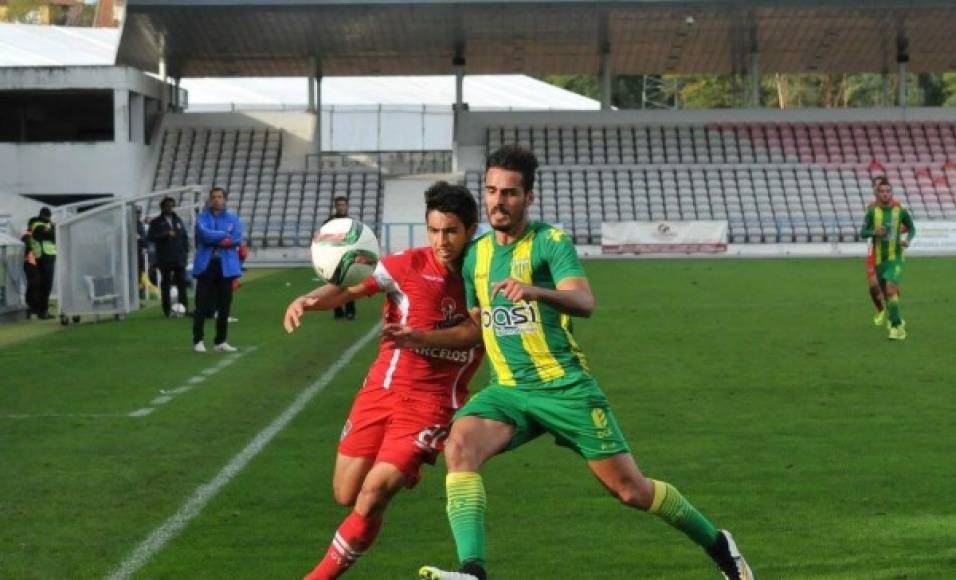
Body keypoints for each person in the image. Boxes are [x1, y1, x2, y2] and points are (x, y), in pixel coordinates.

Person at [383, 146, 754, 580]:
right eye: (490, 191)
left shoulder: (550, 243)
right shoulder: (476, 256)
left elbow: (584, 301)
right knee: (459, 446)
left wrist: (536, 291)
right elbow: (478, 326)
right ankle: (473, 570)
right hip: (510, 391)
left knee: (631, 490)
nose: (498, 201)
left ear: (529, 198)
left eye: (510, 193)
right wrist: (420, 338)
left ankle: (719, 545)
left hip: (564, 389)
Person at [283, 182, 484, 579]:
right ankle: (401, 466)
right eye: (434, 231)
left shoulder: (482, 270)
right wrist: (309, 299)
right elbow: (349, 288)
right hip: (382, 390)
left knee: (374, 493)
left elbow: (473, 333)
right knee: (346, 492)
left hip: (432, 404)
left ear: (470, 229)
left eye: (451, 232)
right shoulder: (404, 265)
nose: (442, 241)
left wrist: (419, 337)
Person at [861, 177, 915, 340]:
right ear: (876, 192)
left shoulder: (900, 210)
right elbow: (863, 232)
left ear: (891, 192)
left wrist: (906, 239)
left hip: (895, 256)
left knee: (890, 289)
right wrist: (874, 232)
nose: (884, 194)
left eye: (887, 191)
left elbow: (910, 228)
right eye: (880, 190)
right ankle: (894, 318)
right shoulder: (871, 211)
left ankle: (896, 328)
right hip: (878, 258)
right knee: (886, 292)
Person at [192, 187, 243, 352]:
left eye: (220, 197)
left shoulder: (233, 218)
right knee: (201, 304)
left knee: (224, 305)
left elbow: (236, 238)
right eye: (213, 197)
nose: (216, 200)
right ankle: (198, 340)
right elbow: (204, 235)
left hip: (225, 266)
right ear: (209, 199)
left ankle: (220, 341)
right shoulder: (202, 217)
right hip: (206, 265)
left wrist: (215, 237)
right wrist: (223, 235)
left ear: (225, 199)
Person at [148, 196, 191, 318]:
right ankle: (167, 310)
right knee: (166, 284)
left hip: (178, 258)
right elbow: (151, 237)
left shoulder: (178, 220)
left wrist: (185, 253)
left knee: (182, 283)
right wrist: (165, 234)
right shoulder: (156, 222)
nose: (170, 208)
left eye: (172, 206)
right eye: (167, 206)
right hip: (164, 258)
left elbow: (184, 237)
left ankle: (184, 308)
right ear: (162, 207)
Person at [324, 195, 357, 321]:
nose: (341, 207)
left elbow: (355, 239)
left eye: (343, 205)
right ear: (335, 207)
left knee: (349, 286)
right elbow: (322, 239)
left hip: (347, 258)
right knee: (333, 287)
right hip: (332, 258)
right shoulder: (328, 222)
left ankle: (350, 311)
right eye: (339, 205)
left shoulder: (352, 222)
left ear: (347, 206)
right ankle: (338, 311)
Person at [25, 208, 56, 320]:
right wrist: (53, 226)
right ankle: (42, 311)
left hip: (45, 256)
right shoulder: (38, 225)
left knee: (42, 285)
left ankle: (40, 309)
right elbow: (53, 236)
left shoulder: (40, 224)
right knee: (45, 285)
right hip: (43, 256)